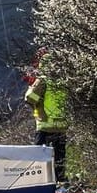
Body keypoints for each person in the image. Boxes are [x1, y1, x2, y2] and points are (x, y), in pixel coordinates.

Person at [25, 55, 69, 183]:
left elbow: (29, 98)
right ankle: (59, 181)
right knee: (60, 157)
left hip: (44, 125)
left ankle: (37, 181)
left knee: (38, 156)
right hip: (61, 126)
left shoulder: (43, 80)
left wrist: (36, 101)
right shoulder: (65, 81)